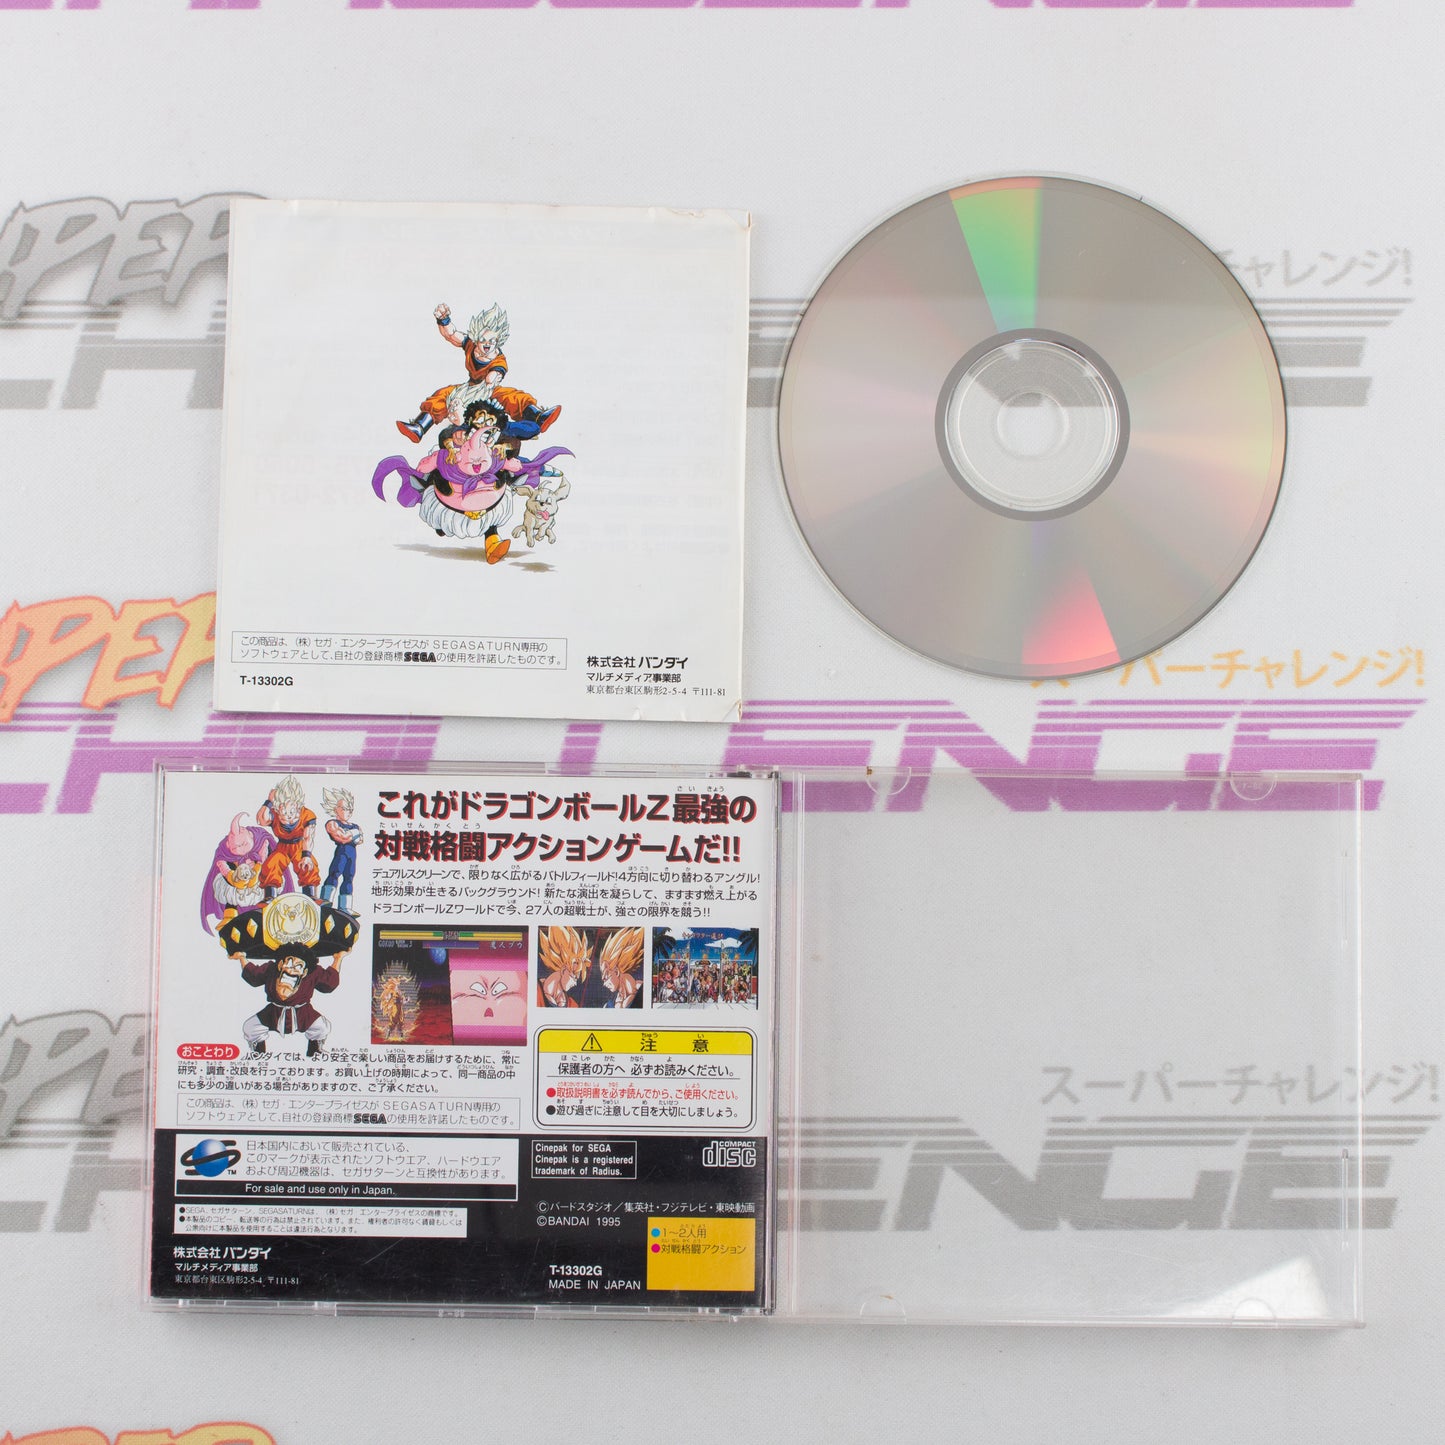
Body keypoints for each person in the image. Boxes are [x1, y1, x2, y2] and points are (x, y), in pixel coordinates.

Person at [396, 302, 560, 444]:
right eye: (483, 340)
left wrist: (492, 379)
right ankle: (419, 427)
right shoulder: (470, 345)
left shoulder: (499, 359)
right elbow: (451, 334)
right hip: (468, 388)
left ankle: (538, 416)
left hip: (489, 391)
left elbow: (494, 376)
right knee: (442, 395)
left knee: (513, 396)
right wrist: (443, 319)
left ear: (498, 341)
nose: (487, 345)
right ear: (476, 338)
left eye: (492, 341)